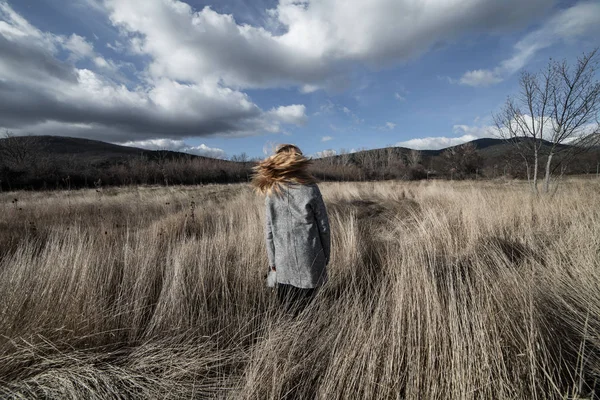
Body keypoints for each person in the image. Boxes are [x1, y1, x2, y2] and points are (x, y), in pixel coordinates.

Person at [252, 144, 330, 315]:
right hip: (310, 258)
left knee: (288, 311)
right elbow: (323, 227)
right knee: (310, 312)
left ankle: (291, 340)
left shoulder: (272, 191)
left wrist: (273, 263)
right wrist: (325, 256)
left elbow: (269, 232)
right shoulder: (310, 188)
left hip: (282, 260)